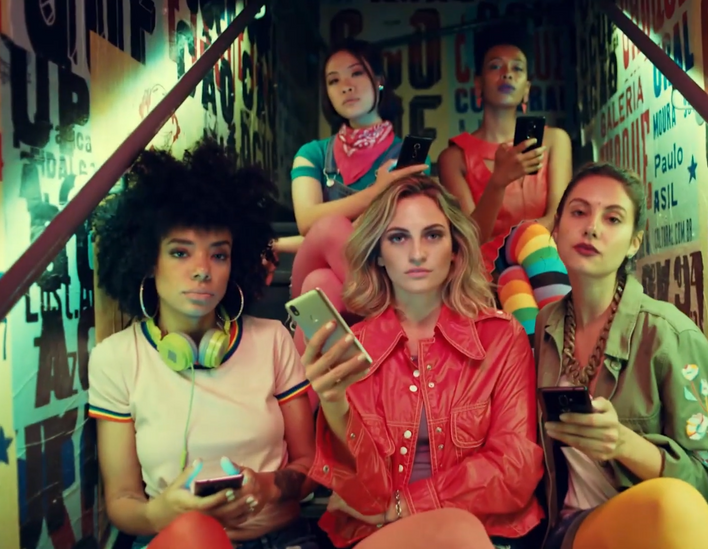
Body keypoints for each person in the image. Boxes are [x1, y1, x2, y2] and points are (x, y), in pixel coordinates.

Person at [87, 139, 321, 549]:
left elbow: (310, 466)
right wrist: (160, 513)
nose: (202, 271)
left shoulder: (273, 340)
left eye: (219, 255)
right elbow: (122, 501)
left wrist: (269, 486)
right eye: (180, 253)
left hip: (279, 539)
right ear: (149, 260)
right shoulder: (115, 358)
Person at [301, 176, 544, 549]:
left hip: (488, 534)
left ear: (456, 249)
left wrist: (404, 505)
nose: (417, 253)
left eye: (432, 235)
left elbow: (515, 467)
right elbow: (366, 498)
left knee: (459, 532)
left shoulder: (500, 337)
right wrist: (335, 407)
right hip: (382, 536)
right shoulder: (355, 348)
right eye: (398, 238)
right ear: (378, 254)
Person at [533, 163, 708, 549]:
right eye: (579, 212)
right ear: (556, 227)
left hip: (663, 530)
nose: (592, 228)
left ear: (635, 242)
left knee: (669, 502)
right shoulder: (547, 324)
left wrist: (622, 443)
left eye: (613, 218)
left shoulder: (670, 335)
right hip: (577, 530)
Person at [285, 38, 429, 352]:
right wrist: (377, 193)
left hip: (386, 271)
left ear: (379, 81)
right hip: (379, 294)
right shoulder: (313, 153)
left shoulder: (408, 157)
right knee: (329, 228)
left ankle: (304, 386)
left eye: (356, 74)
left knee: (318, 284)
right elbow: (308, 222)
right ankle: (396, 325)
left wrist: (277, 244)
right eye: (333, 80)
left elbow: (403, 232)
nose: (346, 87)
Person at [439, 24, 573, 338]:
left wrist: (524, 240)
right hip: (484, 269)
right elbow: (471, 237)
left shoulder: (555, 141)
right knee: (516, 259)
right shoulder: (454, 157)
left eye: (517, 68)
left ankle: (545, 354)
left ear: (527, 88)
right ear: (478, 84)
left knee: (515, 277)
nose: (507, 74)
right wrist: (498, 182)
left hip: (540, 260)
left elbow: (560, 215)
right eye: (495, 66)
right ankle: (570, 339)